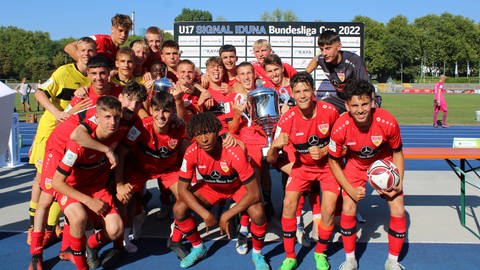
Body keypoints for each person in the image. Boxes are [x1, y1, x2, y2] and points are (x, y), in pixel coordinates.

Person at [171, 112, 269, 269]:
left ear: (217, 131)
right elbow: (182, 190)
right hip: (212, 188)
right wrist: (204, 214)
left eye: (208, 133)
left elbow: (255, 193)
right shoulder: (191, 152)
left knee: (258, 212)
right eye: (199, 135)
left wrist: (227, 215)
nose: (204, 139)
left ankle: (257, 254)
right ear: (193, 136)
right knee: (179, 209)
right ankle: (198, 248)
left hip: (237, 187)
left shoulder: (233, 152)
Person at [328, 79, 406, 270]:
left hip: (383, 162)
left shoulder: (387, 121)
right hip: (355, 166)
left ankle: (392, 262)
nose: (360, 110)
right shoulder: (340, 126)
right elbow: (333, 161)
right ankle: (350, 260)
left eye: (364, 104)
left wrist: (399, 181)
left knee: (398, 208)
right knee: (348, 207)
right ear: (347, 106)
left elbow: (397, 152)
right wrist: (349, 190)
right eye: (355, 105)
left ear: (372, 102)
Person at [26, 37, 96, 247]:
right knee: (42, 178)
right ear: (77, 51)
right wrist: (57, 112)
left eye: (90, 50)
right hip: (50, 132)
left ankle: (51, 226)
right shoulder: (63, 71)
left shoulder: (93, 77)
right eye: (82, 50)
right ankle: (35, 226)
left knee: (62, 179)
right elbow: (39, 92)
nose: (86, 54)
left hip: (70, 135)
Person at [267, 72, 339, 270]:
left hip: (328, 168)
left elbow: (343, 144)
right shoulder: (287, 119)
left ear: (313, 91)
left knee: (328, 210)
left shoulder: (329, 111)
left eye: (306, 90)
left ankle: (320, 252)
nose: (302, 95)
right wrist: (274, 147)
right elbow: (271, 160)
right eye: (298, 92)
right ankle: (290, 256)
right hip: (302, 168)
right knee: (289, 204)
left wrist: (325, 150)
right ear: (292, 94)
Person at [305, 30, 373, 113]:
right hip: (341, 100)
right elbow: (316, 59)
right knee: (321, 106)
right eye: (321, 49)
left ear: (339, 46)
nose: (324, 53)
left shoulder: (354, 60)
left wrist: (371, 104)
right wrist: (305, 74)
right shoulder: (323, 59)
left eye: (328, 48)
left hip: (359, 99)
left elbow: (368, 88)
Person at [64, 14, 132, 63]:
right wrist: (88, 66)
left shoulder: (118, 51)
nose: (123, 35)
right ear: (112, 29)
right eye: (120, 30)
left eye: (126, 32)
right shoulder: (100, 39)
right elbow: (69, 47)